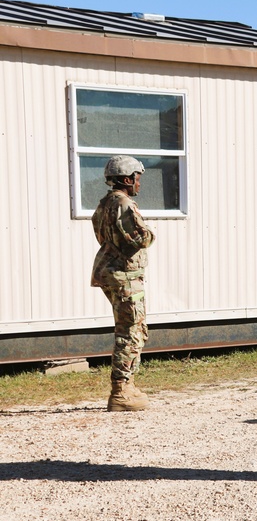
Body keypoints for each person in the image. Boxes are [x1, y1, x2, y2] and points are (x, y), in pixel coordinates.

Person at [91, 155, 156, 412]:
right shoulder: (124, 203)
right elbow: (142, 238)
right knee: (131, 330)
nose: (139, 183)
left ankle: (126, 386)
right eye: (137, 178)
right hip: (125, 276)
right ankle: (121, 391)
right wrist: (151, 233)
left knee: (128, 327)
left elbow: (101, 235)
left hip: (112, 272)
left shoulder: (105, 203)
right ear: (127, 179)